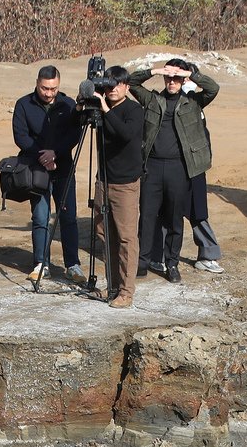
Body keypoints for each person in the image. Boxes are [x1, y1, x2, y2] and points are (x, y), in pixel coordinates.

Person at [128, 59, 219, 284]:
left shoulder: (193, 102)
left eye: (176, 78)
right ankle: (143, 260)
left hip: (180, 167)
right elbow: (131, 82)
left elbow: (213, 88)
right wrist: (156, 70)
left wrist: (190, 75)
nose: (172, 82)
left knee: (174, 218)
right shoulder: (152, 99)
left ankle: (172, 263)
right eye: (169, 77)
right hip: (153, 166)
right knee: (147, 215)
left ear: (183, 79)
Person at [12, 66, 86, 284]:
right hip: (36, 170)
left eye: (53, 88)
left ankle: (72, 264)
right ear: (37, 83)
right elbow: (20, 136)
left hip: (63, 168)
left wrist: (56, 153)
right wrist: (41, 155)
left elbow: (75, 133)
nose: (49, 93)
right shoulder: (23, 104)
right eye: (45, 88)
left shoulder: (68, 104)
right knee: (41, 217)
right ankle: (41, 262)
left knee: (68, 217)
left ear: (59, 85)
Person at [89, 67, 144, 309]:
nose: (112, 89)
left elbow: (125, 134)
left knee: (126, 239)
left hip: (125, 184)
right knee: (104, 234)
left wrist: (105, 109)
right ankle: (112, 286)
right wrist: (85, 103)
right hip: (104, 180)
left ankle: (126, 292)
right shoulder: (101, 106)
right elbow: (78, 120)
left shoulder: (134, 110)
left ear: (126, 87)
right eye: (109, 84)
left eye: (117, 84)